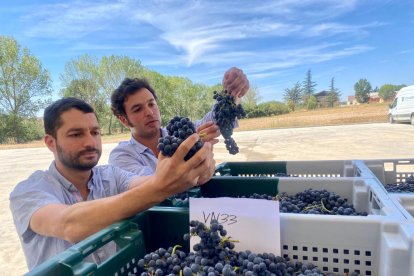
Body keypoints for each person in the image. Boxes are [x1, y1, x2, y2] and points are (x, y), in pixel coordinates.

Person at [9, 97, 215, 270]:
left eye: (95, 132)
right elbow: (68, 223)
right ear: (50, 142)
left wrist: (193, 173)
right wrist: (161, 187)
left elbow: (150, 183)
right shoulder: (29, 191)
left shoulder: (110, 175)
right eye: (76, 134)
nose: (90, 142)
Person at [109, 67, 249, 175]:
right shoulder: (121, 156)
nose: (149, 112)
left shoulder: (180, 132)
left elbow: (214, 121)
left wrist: (231, 93)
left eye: (151, 104)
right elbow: (152, 185)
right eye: (138, 109)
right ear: (124, 120)